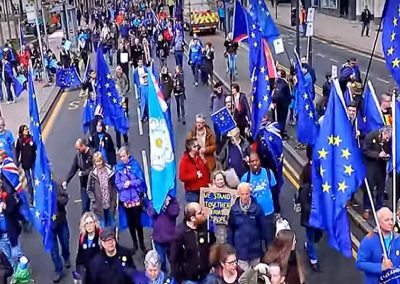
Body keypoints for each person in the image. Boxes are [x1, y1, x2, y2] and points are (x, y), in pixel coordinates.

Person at [170, 202, 216, 283]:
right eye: (200, 213)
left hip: (206, 275)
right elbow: (174, 258)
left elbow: (212, 245)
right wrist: (178, 278)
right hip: (189, 279)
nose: (203, 214)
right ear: (192, 218)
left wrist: (213, 264)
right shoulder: (179, 233)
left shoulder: (205, 226)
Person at [241, 152, 277, 248]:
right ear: (249, 163)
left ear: (260, 161)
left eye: (256, 160)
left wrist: (278, 211)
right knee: (256, 241)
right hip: (253, 214)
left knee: (270, 240)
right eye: (252, 161)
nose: (255, 163)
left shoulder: (269, 173)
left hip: (268, 213)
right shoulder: (245, 178)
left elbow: (275, 193)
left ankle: (269, 260)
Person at [115, 147, 147, 253]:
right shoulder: (118, 168)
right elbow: (117, 184)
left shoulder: (135, 166)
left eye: (124, 156)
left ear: (128, 155)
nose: (122, 159)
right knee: (130, 223)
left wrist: (131, 183)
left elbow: (140, 180)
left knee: (138, 223)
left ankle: (142, 244)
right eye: (121, 157)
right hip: (125, 200)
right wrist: (123, 185)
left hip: (135, 199)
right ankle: (135, 243)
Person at [356, 207, 400, 284]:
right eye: (386, 220)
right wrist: (381, 267)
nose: (391, 223)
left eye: (392, 219)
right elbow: (360, 263)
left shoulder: (397, 237)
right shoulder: (369, 240)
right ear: (379, 222)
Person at [227, 182, 264, 271]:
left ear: (250, 193)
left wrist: (265, 246)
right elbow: (230, 229)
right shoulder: (233, 209)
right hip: (241, 249)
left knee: (255, 275)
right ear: (238, 194)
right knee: (244, 276)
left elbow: (263, 228)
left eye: (247, 193)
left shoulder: (258, 208)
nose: (245, 196)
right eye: (242, 194)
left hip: (255, 248)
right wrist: (230, 247)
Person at [297, 146, 321, 272]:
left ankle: (309, 245)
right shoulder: (307, 170)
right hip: (310, 215)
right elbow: (303, 198)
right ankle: (313, 259)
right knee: (311, 237)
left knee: (318, 235)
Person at [362, 126, 391, 220]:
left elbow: (389, 149)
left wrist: (387, 155)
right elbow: (365, 151)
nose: (387, 140)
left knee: (381, 188)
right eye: (386, 137)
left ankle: (379, 208)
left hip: (382, 166)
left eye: (388, 138)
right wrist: (377, 155)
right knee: (369, 187)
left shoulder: (388, 140)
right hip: (371, 166)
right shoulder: (371, 136)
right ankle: (367, 208)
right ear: (382, 132)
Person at [147, 195, 180, 273]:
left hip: (171, 238)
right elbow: (151, 213)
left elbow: (174, 212)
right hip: (158, 238)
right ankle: (163, 277)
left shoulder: (173, 200)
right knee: (161, 261)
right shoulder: (154, 200)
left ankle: (175, 275)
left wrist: (167, 205)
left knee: (173, 259)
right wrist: (159, 204)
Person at [63, 138, 94, 214]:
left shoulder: (92, 154)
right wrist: (66, 181)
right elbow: (73, 168)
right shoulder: (78, 155)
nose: (77, 151)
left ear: (83, 146)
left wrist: (83, 173)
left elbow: (94, 168)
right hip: (84, 185)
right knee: (85, 208)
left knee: (97, 207)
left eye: (78, 149)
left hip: (93, 184)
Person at [87, 152, 117, 228]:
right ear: (94, 162)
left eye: (100, 161)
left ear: (102, 161)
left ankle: (112, 238)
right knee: (102, 225)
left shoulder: (109, 171)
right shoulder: (92, 174)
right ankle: (104, 239)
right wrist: (94, 199)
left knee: (111, 222)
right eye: (97, 161)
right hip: (99, 205)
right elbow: (89, 189)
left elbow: (114, 185)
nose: (99, 163)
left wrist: (114, 197)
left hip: (109, 202)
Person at [50, 180, 71, 283]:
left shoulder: (56, 185)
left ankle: (66, 256)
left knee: (65, 242)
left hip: (61, 220)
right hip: (48, 226)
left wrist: (56, 201)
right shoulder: (39, 189)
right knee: (53, 250)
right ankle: (58, 270)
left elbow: (65, 198)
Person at [179, 138, 211, 203]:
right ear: (189, 148)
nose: (197, 148)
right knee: (194, 210)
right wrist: (195, 175)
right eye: (194, 146)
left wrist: (209, 182)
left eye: (198, 146)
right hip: (192, 192)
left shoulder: (199, 156)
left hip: (204, 189)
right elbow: (182, 177)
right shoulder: (184, 160)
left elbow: (206, 171)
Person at [74, 212, 101, 284]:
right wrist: (78, 271)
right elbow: (79, 256)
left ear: (95, 223)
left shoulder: (101, 236)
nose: (89, 226)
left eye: (91, 222)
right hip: (86, 269)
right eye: (87, 223)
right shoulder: (82, 237)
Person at [15, 125, 36, 204]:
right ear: (22, 132)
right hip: (25, 163)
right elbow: (17, 152)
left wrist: (32, 144)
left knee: (34, 178)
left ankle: (37, 194)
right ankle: (32, 196)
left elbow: (35, 148)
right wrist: (16, 163)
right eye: (25, 130)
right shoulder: (20, 141)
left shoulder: (31, 138)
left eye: (27, 129)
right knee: (29, 180)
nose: (27, 130)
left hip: (32, 161)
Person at [273, 69, 291, 138]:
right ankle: (281, 133)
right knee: (282, 119)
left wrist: (274, 101)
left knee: (279, 118)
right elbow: (288, 94)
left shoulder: (277, 82)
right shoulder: (285, 84)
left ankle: (279, 130)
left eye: (278, 75)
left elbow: (275, 93)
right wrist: (289, 101)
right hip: (284, 104)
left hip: (278, 104)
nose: (277, 76)